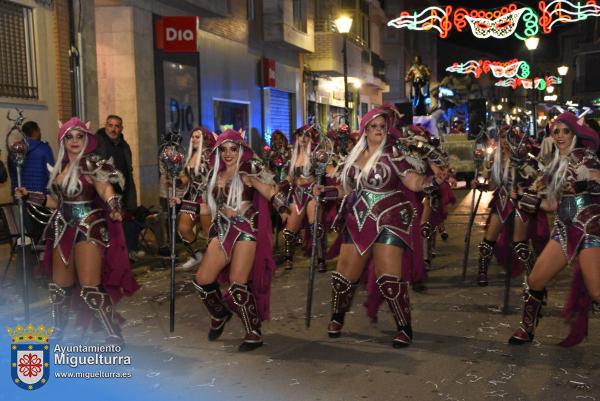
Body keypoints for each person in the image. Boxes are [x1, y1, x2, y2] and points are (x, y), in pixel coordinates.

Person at [316, 106, 447, 348]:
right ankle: (337, 317)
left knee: (389, 279)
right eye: (373, 126)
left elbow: (414, 182)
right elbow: (347, 189)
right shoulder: (354, 157)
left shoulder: (394, 154)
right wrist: (324, 191)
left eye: (382, 126)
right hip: (357, 219)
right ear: (364, 130)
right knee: (344, 277)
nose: (378, 130)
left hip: (390, 219)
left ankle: (403, 326)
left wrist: (432, 181)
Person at [15, 117, 138, 344]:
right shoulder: (60, 168)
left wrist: (114, 206)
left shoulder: (92, 164)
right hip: (62, 227)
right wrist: (28, 195)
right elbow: (55, 203)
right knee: (58, 288)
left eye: (79, 136)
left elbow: (106, 189)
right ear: (62, 140)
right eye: (69, 137)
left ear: (86, 139)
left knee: (90, 286)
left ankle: (113, 332)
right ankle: (58, 330)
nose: (74, 141)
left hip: (88, 226)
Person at [508, 112, 600, 347]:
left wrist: (588, 177)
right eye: (555, 131)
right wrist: (530, 200)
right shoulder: (555, 164)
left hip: (589, 227)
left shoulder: (585, 157)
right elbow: (553, 204)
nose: (559, 136)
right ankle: (527, 329)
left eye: (565, 131)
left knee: (597, 291)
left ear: (575, 133)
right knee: (535, 279)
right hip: (564, 227)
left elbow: (596, 178)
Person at [188, 129, 281, 352]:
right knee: (202, 280)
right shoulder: (214, 174)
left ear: (242, 149)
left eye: (233, 148)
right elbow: (200, 201)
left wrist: (279, 201)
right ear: (218, 151)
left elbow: (271, 191)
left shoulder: (250, 169)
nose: (228, 153)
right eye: (224, 149)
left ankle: (253, 331)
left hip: (246, 229)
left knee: (237, 283)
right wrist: (179, 204)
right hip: (222, 230)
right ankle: (220, 314)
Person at [472, 126, 549, 286]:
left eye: (508, 139)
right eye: (502, 139)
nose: (505, 143)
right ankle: (482, 270)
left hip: (521, 203)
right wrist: (479, 186)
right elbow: (493, 185)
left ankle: (533, 276)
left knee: (519, 243)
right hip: (502, 201)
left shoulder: (526, 157)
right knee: (489, 239)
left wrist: (524, 190)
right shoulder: (496, 158)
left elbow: (539, 180)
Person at [277, 125, 326, 271]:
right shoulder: (292, 155)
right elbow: (290, 176)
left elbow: (327, 169)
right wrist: (283, 182)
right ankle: (288, 259)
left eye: (306, 136)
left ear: (311, 138)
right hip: (297, 193)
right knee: (290, 230)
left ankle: (321, 259)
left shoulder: (316, 154)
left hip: (312, 192)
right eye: (300, 135)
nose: (303, 139)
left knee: (315, 226)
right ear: (297, 138)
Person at [95, 115, 140, 260]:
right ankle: (108, 256)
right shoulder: (97, 143)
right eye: (110, 125)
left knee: (126, 221)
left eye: (117, 126)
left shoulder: (124, 145)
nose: (113, 129)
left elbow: (128, 169)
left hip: (123, 190)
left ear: (121, 128)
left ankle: (126, 253)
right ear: (105, 125)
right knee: (107, 224)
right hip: (104, 191)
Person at [172, 127, 216, 271]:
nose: (194, 139)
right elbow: (187, 178)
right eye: (193, 137)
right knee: (183, 228)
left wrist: (208, 200)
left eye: (198, 137)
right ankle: (196, 256)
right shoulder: (192, 155)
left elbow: (215, 177)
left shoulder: (210, 155)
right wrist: (176, 180)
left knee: (208, 233)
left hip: (206, 199)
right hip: (191, 197)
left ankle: (213, 263)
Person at [8, 121, 55, 241]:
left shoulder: (14, 150)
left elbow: (12, 174)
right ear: (36, 132)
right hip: (41, 199)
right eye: (39, 129)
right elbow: (52, 173)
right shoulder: (44, 148)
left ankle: (32, 255)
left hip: (21, 198)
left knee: (29, 235)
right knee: (43, 235)